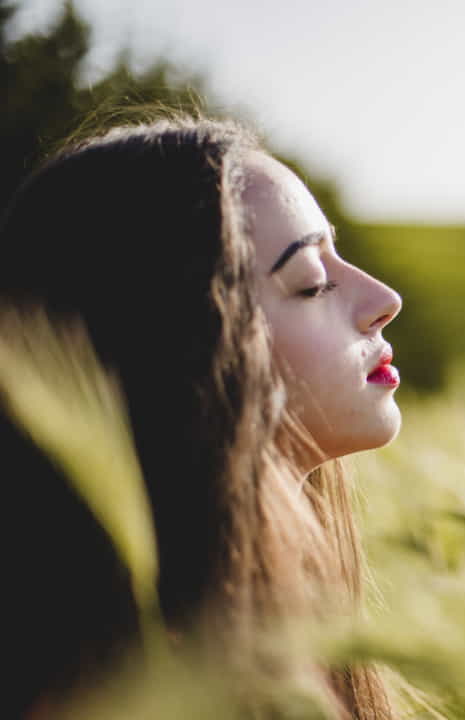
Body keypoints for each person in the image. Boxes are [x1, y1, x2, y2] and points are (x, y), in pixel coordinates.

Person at [0, 116, 402, 719]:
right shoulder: (119, 698)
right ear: (179, 346)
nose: (383, 301)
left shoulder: (301, 641)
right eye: (312, 282)